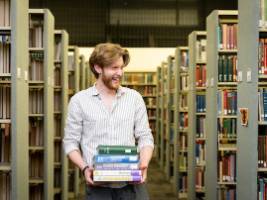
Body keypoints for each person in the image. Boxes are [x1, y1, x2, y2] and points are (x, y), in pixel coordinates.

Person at [63, 42, 154, 200]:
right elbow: (70, 142)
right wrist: (84, 168)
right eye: (114, 68)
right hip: (98, 188)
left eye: (121, 68)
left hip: (132, 186)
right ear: (98, 68)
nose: (120, 73)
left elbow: (145, 136)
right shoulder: (79, 101)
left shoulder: (134, 98)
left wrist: (144, 162)